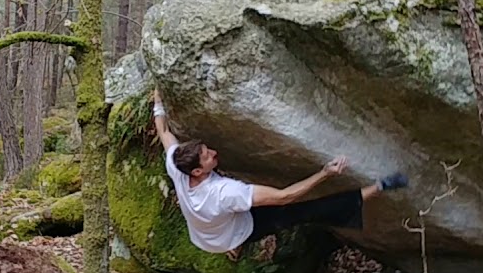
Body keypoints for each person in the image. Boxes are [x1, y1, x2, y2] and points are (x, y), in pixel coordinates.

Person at [151, 89, 408, 261]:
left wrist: (158, 99)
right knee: (304, 211)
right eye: (208, 156)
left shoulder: (177, 166)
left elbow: (164, 132)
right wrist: (324, 173)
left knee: (232, 213)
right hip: (238, 229)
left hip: (205, 236)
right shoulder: (226, 192)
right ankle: (380, 186)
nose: (214, 152)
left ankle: (230, 243)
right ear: (196, 170)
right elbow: (285, 196)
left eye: (208, 149)